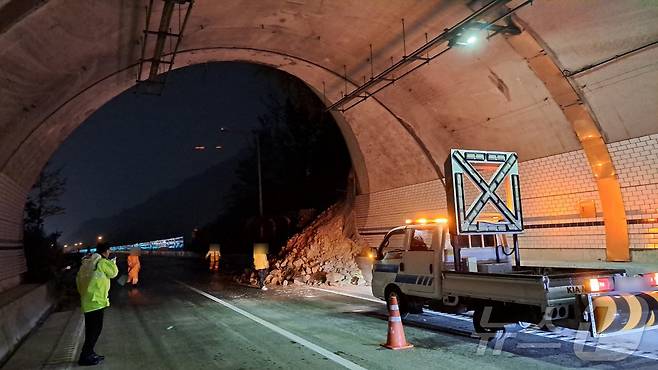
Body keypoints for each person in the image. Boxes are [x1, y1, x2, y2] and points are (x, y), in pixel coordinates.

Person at [76, 243, 118, 366]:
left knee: (90, 330)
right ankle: (85, 357)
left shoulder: (87, 263)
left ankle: (90, 353)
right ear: (106, 251)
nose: (109, 253)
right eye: (109, 250)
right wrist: (112, 262)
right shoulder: (101, 262)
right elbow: (113, 273)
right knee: (94, 331)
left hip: (87, 300)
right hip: (96, 301)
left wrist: (84, 294)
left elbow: (78, 280)